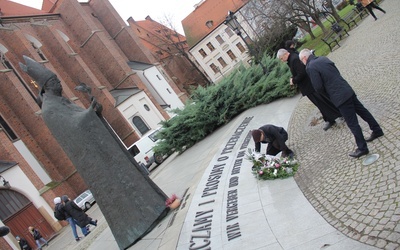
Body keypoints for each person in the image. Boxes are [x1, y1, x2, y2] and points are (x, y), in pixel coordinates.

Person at [299, 49, 384, 158]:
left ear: (304, 58)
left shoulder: (310, 67)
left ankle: (362, 148)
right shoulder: (323, 58)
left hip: (339, 97)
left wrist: (329, 95)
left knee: (352, 123)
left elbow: (318, 87)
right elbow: (335, 71)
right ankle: (377, 130)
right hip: (346, 89)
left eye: (302, 61)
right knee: (363, 111)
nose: (303, 63)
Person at [277, 47, 341, 131]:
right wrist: (293, 77)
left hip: (310, 86)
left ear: (285, 54)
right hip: (309, 86)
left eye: (282, 58)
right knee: (321, 103)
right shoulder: (292, 58)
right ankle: (330, 118)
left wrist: (294, 80)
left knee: (323, 102)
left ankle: (338, 114)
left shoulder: (294, 59)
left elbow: (302, 73)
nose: (282, 61)